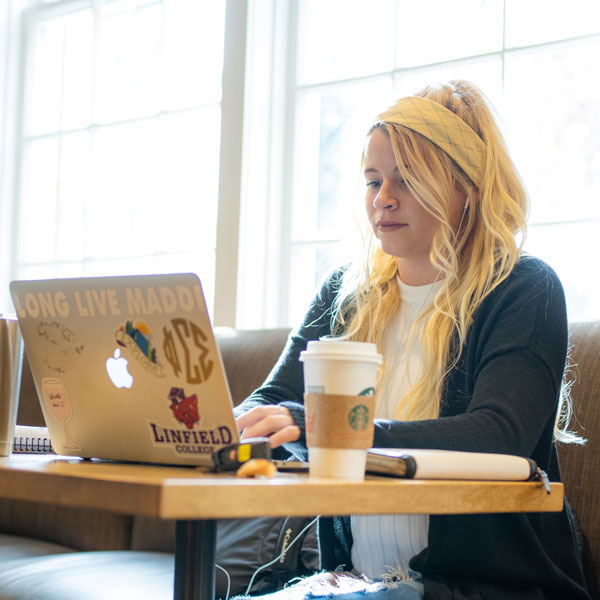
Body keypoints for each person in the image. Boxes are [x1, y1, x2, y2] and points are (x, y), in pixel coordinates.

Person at [234, 80, 590, 600]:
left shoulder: (521, 289)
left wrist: (332, 430)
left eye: (408, 180)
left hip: (487, 587)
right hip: (354, 583)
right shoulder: (346, 293)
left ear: (466, 187)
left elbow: (498, 435)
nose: (383, 199)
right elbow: (269, 401)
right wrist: (217, 429)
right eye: (372, 180)